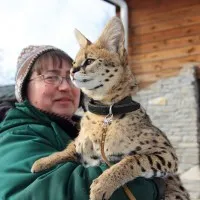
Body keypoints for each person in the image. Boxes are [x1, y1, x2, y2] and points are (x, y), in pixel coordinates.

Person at [0, 45, 164, 200]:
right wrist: (149, 178)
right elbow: (49, 189)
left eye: (71, 77)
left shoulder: (78, 129)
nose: (65, 87)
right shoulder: (16, 134)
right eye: (51, 77)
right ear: (24, 89)